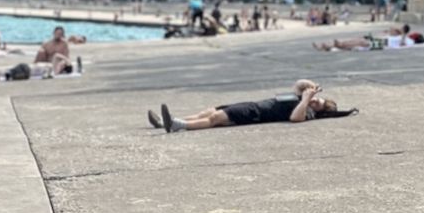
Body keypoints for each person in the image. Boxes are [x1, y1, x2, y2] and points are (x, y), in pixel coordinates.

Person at [148, 79, 357, 132]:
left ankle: (177, 125)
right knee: (210, 111)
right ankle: (169, 122)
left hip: (256, 113)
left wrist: (306, 101)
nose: (313, 100)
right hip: (254, 105)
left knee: (214, 120)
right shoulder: (303, 98)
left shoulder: (307, 111)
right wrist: (312, 87)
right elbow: (298, 84)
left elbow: (295, 118)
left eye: (317, 103)